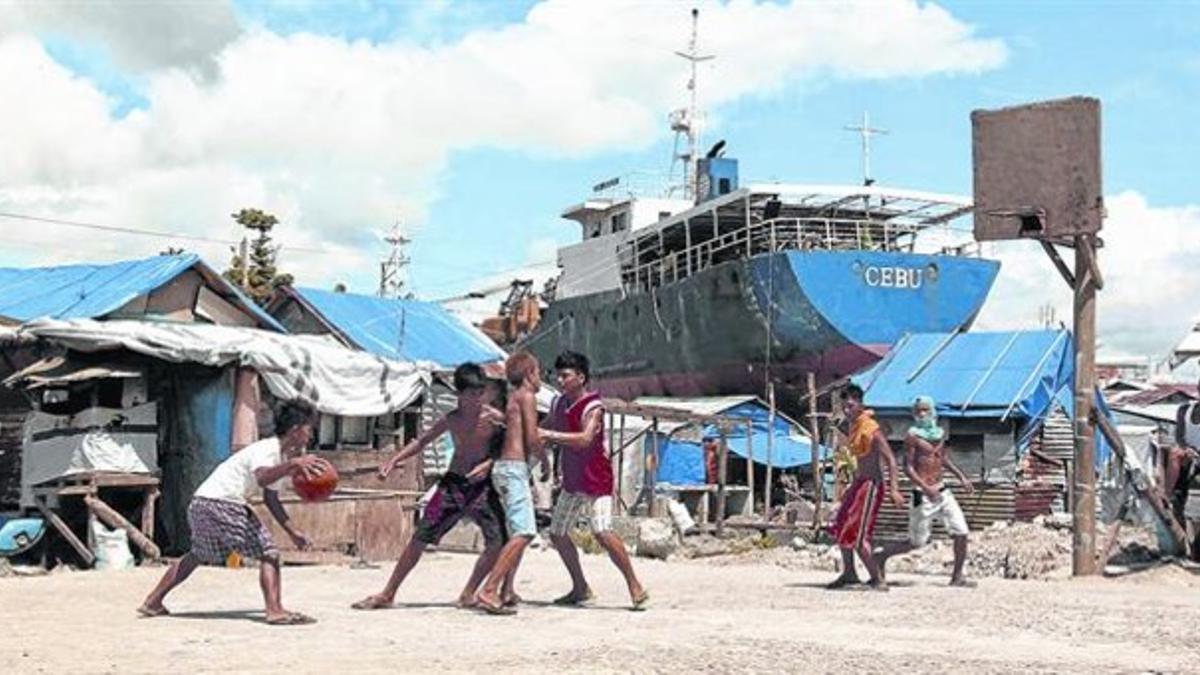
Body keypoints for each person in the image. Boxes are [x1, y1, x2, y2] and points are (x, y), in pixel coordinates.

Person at [138, 402, 330, 625]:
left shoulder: (281, 458)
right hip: (222, 504)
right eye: (309, 428)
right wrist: (293, 465)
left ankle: (153, 601)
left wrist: (293, 532)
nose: (311, 434)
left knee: (198, 555)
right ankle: (275, 610)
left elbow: (271, 498)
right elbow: (262, 477)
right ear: (296, 429)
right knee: (269, 553)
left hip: (202, 503)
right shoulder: (268, 449)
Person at [351, 362, 515, 611]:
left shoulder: (494, 419)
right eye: (471, 394)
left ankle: (470, 592)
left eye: (480, 393)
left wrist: (490, 464)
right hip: (452, 486)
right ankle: (388, 592)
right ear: (458, 394)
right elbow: (421, 442)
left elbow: (512, 446)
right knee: (419, 538)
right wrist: (393, 460)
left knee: (498, 542)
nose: (477, 399)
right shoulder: (452, 419)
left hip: (481, 488)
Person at [540, 351, 649, 610]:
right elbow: (547, 424)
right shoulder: (558, 403)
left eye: (565, 375)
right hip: (572, 477)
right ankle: (580, 587)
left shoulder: (593, 407)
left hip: (596, 478)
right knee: (557, 532)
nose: (559, 380)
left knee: (601, 530)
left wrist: (547, 434)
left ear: (581, 377)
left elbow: (585, 439)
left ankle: (634, 585)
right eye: (558, 375)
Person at [474, 351, 548, 615]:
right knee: (524, 532)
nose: (540, 378)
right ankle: (489, 590)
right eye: (538, 372)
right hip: (514, 468)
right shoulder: (527, 397)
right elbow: (531, 436)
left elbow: (513, 426)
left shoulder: (513, 398)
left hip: (505, 469)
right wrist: (546, 461)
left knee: (515, 532)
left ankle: (507, 589)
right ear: (529, 374)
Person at [875, 396, 976, 587]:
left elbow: (943, 459)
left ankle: (957, 577)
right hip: (922, 494)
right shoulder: (913, 436)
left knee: (961, 532)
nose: (922, 414)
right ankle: (881, 557)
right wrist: (925, 487)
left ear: (932, 412)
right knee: (916, 542)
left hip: (943, 491)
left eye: (926, 410)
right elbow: (909, 468)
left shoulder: (939, 434)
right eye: (919, 411)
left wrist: (961, 477)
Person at [825, 384, 904, 591]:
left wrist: (894, 489)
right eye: (845, 405)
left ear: (860, 404)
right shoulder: (853, 426)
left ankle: (878, 579)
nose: (847, 409)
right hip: (859, 483)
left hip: (871, 485)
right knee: (841, 524)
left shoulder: (871, 429)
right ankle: (849, 574)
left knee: (859, 536)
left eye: (851, 405)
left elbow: (890, 460)